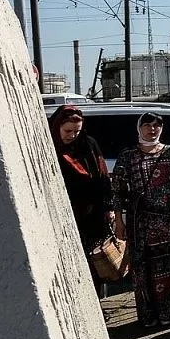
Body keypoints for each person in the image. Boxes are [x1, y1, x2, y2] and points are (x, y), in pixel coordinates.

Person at [112, 112, 170, 328]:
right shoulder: (127, 156)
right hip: (139, 223)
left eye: (157, 125)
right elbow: (117, 192)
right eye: (147, 125)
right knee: (142, 269)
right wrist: (119, 221)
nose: (152, 129)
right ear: (139, 128)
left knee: (168, 267)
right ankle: (149, 316)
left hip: (166, 221)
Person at [48, 105, 115, 275]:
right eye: (68, 131)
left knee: (93, 263)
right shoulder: (50, 149)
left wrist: (109, 206)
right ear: (58, 127)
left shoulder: (88, 144)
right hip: (63, 213)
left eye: (76, 131)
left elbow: (103, 177)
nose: (72, 135)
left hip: (92, 215)